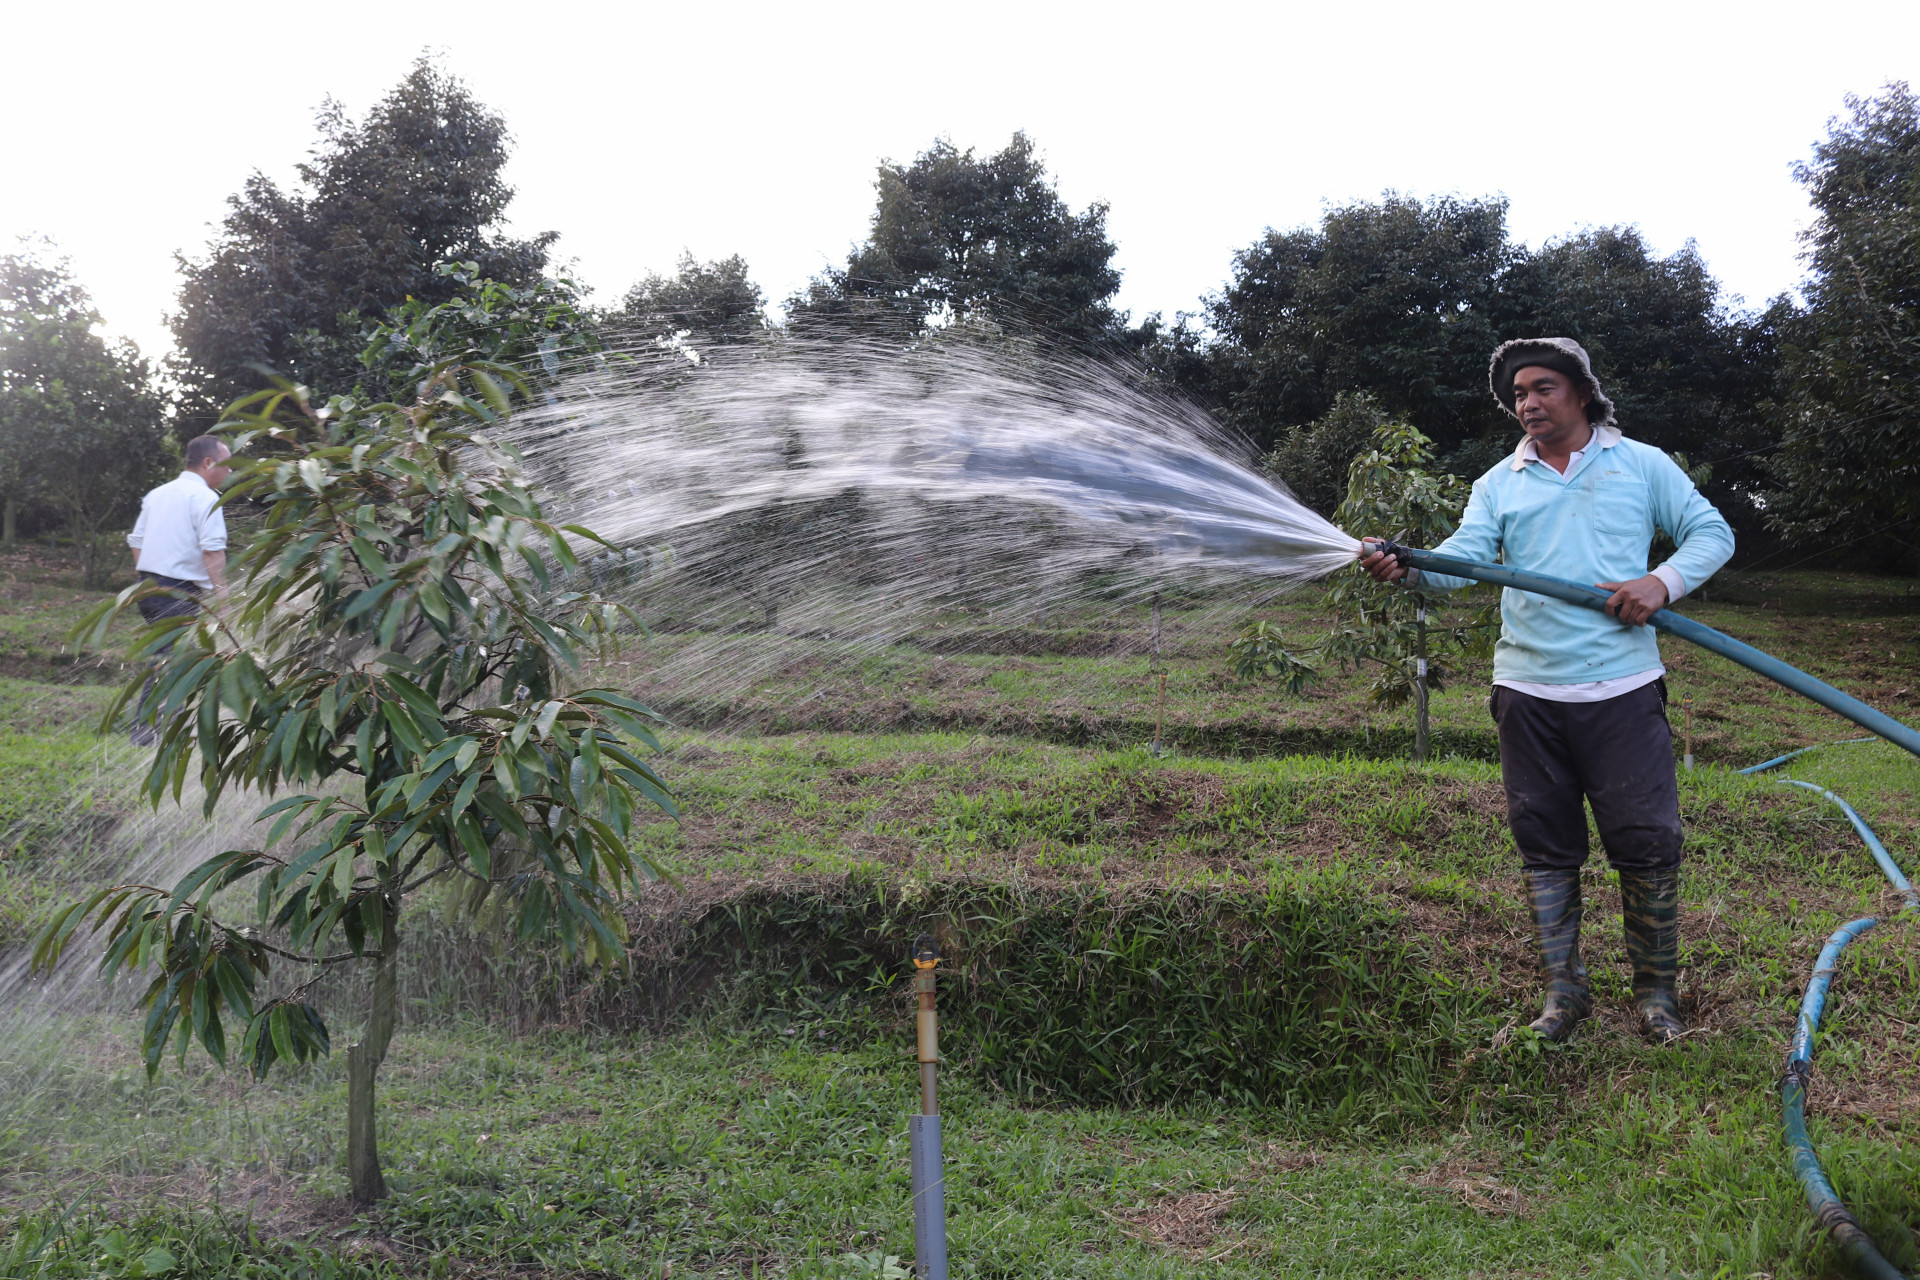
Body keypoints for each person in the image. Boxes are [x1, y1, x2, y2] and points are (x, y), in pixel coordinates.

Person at [1361, 338, 1734, 1044]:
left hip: (1622, 688)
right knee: (1546, 844)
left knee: (1648, 841)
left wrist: (1662, 583)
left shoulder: (1641, 464)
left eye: (1542, 388)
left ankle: (1657, 997)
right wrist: (1407, 568)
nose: (1528, 403)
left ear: (1582, 393)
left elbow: (1710, 532)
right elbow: (1464, 564)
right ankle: (1565, 993)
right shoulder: (1501, 480)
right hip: (1529, 691)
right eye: (1519, 395)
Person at [125, 435, 233, 745]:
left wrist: (150, 576)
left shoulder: (158, 494)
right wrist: (225, 601)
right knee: (173, 660)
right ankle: (150, 733)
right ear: (207, 463)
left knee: (167, 656)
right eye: (225, 466)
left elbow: (136, 541)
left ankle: (160, 729)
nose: (229, 473)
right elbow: (212, 552)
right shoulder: (206, 498)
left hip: (149, 589)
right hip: (177, 594)